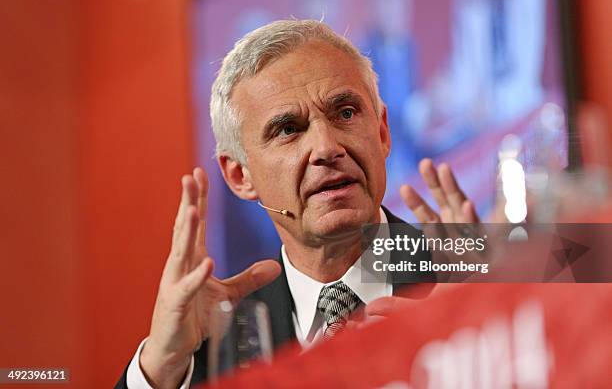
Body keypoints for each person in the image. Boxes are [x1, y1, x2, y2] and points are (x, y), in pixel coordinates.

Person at [116, 19, 479, 389]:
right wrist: (162, 363)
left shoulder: (472, 281)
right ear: (240, 176)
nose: (326, 148)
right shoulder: (213, 347)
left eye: (345, 113)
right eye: (288, 129)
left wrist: (486, 333)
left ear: (382, 131)